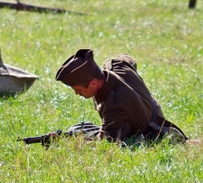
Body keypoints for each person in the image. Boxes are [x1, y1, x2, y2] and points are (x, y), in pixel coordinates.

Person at [54, 49, 186, 142]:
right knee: (79, 128)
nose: (77, 93)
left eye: (78, 90)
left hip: (148, 131)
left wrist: (65, 141)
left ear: (93, 83)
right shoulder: (115, 66)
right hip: (150, 108)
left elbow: (106, 143)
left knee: (79, 133)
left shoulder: (115, 106)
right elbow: (126, 58)